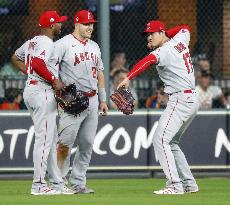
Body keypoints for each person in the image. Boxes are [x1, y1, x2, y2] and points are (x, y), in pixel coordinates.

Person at [117, 20, 199, 195]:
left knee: (160, 140)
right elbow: (185, 27)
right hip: (191, 98)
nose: (149, 37)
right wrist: (167, 33)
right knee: (172, 142)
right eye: (147, 34)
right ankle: (189, 183)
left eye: (152, 33)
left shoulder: (164, 51)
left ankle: (174, 185)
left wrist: (128, 77)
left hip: (180, 99)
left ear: (162, 33)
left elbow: (146, 61)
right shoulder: (180, 40)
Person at [11, 11, 73, 195]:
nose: (61, 25)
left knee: (50, 139)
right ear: (51, 25)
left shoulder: (32, 41)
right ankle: (38, 185)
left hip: (32, 90)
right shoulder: (46, 42)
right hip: (42, 92)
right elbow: (38, 63)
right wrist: (54, 79)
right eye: (59, 23)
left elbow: (15, 57)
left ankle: (57, 183)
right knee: (44, 141)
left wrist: (30, 74)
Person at [51, 10, 108, 194]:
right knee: (64, 144)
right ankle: (58, 183)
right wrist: (58, 90)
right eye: (86, 24)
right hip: (71, 100)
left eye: (92, 24)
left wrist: (103, 99)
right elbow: (49, 68)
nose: (90, 27)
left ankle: (78, 183)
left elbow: (100, 73)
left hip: (92, 100)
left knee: (86, 144)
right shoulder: (62, 44)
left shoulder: (95, 46)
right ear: (76, 24)